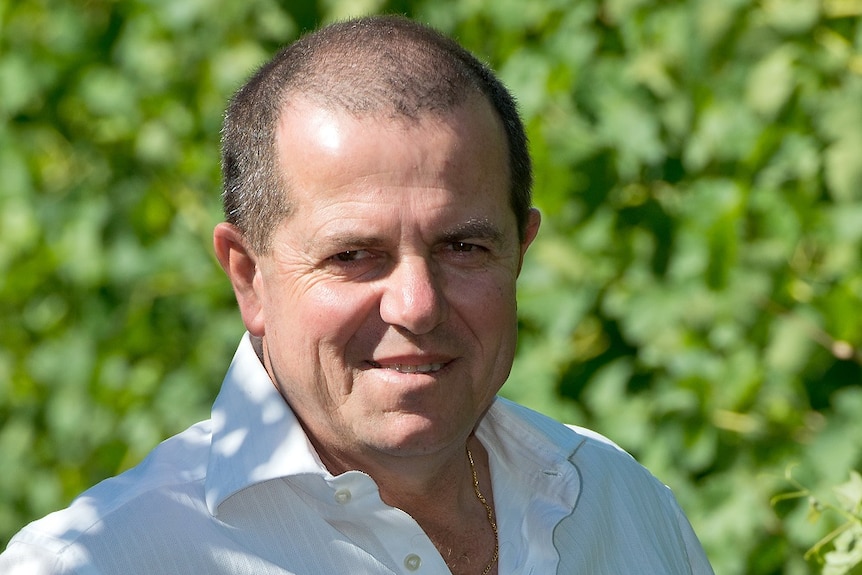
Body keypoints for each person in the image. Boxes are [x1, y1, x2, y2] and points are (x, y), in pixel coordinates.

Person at [0, 15, 714, 575]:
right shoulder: (98, 560)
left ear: (519, 252)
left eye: (462, 247)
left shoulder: (617, 501)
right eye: (353, 256)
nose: (416, 304)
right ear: (247, 275)